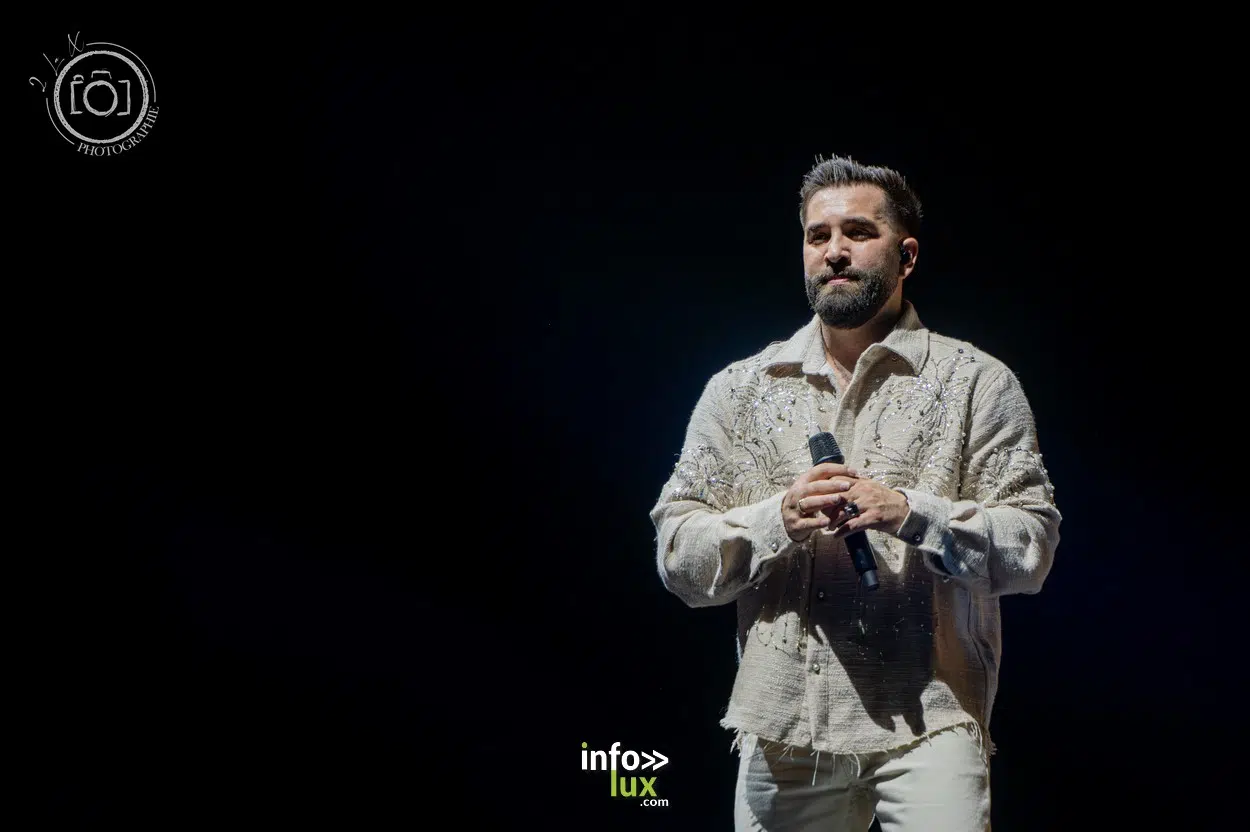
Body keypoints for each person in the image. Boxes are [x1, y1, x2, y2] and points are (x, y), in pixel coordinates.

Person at [649, 154, 1061, 831]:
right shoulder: (741, 389)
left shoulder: (976, 382)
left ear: (906, 255)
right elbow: (678, 559)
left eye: (859, 232)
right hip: (784, 721)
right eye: (818, 236)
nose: (835, 251)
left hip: (932, 717)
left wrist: (912, 513)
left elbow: (1031, 548)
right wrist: (776, 518)